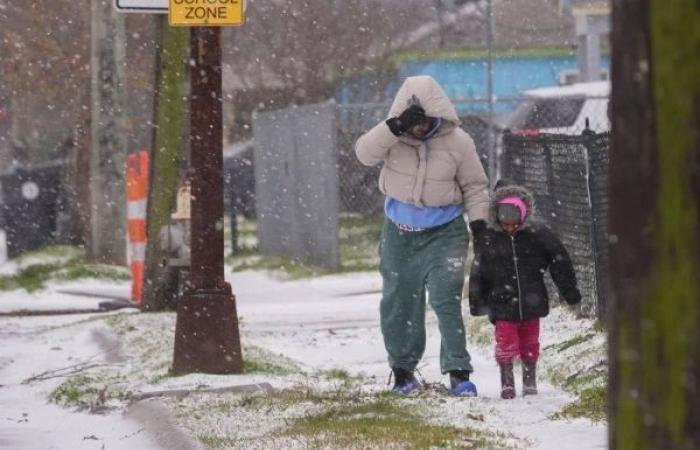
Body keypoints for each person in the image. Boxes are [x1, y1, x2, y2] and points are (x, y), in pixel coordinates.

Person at [355, 76, 490, 396]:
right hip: (399, 236)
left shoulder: (459, 142)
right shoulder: (390, 137)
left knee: (445, 299)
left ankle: (459, 372)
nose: (419, 129)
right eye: (413, 122)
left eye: (424, 121)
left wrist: (480, 225)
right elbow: (363, 153)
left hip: (445, 234)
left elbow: (474, 186)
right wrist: (394, 127)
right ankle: (402, 372)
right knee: (399, 301)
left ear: (437, 115)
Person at [468, 181, 581, 399]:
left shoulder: (538, 234)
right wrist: (477, 300)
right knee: (506, 343)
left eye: (514, 224)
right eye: (506, 225)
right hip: (501, 303)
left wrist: (569, 291)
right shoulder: (489, 238)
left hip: (533, 301)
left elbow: (560, 261)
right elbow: (479, 270)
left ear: (523, 216)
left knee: (530, 342)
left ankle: (529, 380)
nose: (510, 228)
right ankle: (507, 381)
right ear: (497, 218)